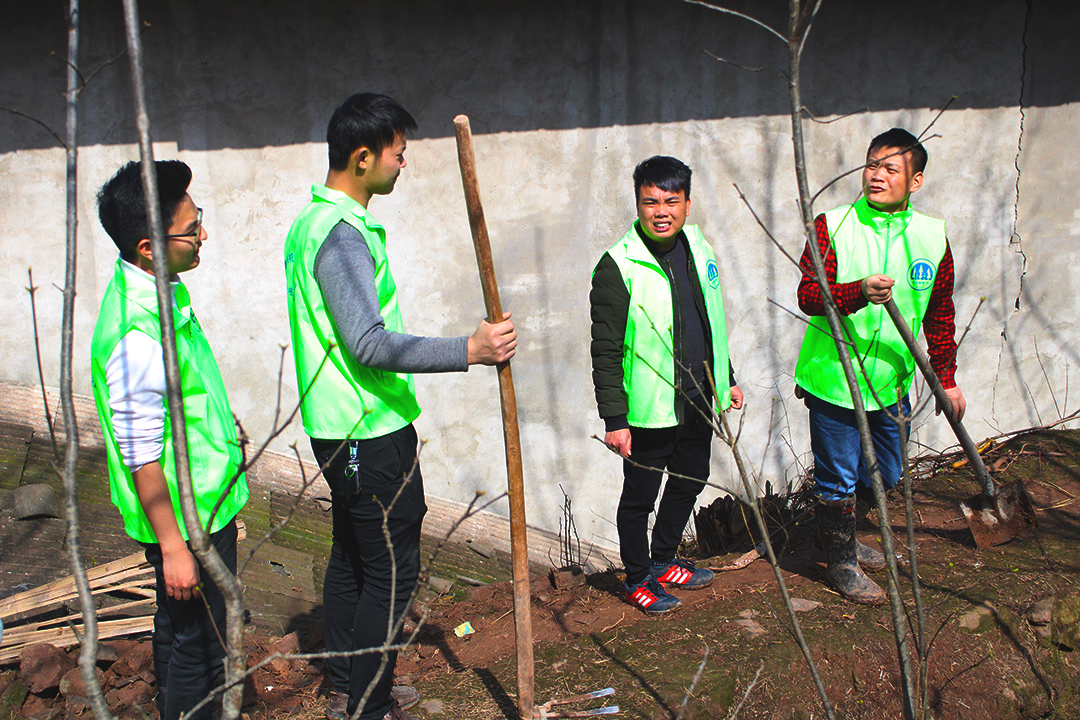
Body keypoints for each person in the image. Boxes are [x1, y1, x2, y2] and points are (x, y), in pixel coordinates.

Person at [283, 93, 516, 720]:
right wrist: (468, 349)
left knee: (353, 557)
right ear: (363, 157)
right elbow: (367, 342)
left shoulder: (313, 222)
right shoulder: (339, 237)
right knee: (390, 570)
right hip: (367, 428)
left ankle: (349, 682)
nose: (403, 163)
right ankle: (367, 703)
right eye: (398, 153)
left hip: (343, 425)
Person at [90, 160, 249, 720]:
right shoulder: (138, 334)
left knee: (177, 628)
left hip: (200, 505)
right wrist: (176, 547)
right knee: (200, 646)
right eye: (191, 227)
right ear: (148, 247)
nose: (203, 233)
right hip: (186, 520)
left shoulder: (158, 295)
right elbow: (141, 454)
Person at [794, 128, 965, 605]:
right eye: (872, 165)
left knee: (887, 472)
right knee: (837, 477)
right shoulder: (833, 225)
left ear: (916, 181)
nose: (877, 175)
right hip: (834, 376)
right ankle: (841, 563)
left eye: (891, 168)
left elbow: (940, 314)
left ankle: (839, 536)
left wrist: (947, 380)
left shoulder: (932, 237)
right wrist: (856, 292)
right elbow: (809, 295)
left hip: (891, 381)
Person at [590, 155, 743, 614]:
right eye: (650, 202)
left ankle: (663, 560)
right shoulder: (618, 265)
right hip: (648, 406)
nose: (661, 212)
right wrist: (614, 419)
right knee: (640, 497)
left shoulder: (698, 246)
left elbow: (709, 320)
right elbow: (605, 350)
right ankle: (637, 579)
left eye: (671, 202)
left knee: (691, 478)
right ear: (638, 204)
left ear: (687, 205)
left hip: (698, 396)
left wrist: (727, 378)